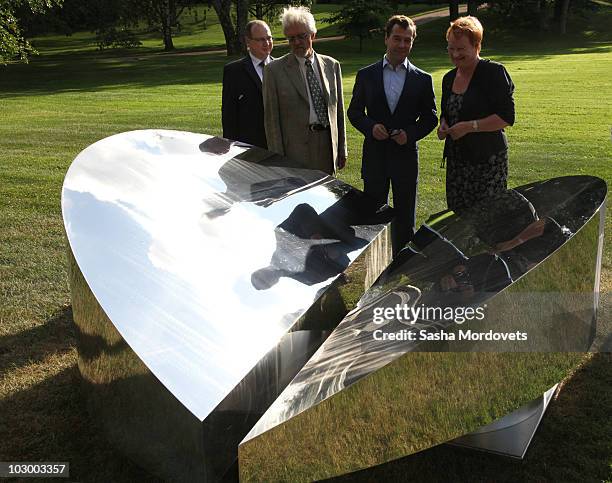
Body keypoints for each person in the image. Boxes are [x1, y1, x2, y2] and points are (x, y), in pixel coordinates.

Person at [347, 15, 437, 256]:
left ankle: (402, 266)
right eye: (397, 38)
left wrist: (410, 134)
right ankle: (373, 266)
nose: (401, 45)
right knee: (372, 217)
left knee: (406, 218)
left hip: (405, 159)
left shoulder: (422, 79)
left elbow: (430, 118)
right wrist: (370, 126)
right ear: (386, 38)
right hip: (375, 158)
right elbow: (354, 112)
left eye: (407, 40)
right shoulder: (366, 75)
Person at [437, 16, 515, 214]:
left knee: (487, 217)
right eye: (451, 48)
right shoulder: (448, 78)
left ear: (476, 45)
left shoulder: (494, 73)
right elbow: (447, 113)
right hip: (457, 162)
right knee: (459, 217)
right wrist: (443, 125)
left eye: (461, 48)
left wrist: (470, 127)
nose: (455, 54)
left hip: (487, 162)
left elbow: (506, 117)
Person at [263, 6, 347, 175]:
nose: (296, 43)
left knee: (326, 197)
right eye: (291, 38)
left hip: (326, 146)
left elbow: (338, 111)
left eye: (302, 37)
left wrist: (342, 148)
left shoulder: (332, 65)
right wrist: (278, 158)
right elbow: (272, 121)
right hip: (294, 150)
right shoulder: (274, 71)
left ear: (313, 35)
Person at [221, 20, 274, 148]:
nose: (267, 43)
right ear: (248, 42)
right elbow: (229, 115)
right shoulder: (234, 71)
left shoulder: (282, 67)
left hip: (279, 145)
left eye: (269, 38)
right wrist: (232, 147)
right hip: (249, 145)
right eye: (261, 40)